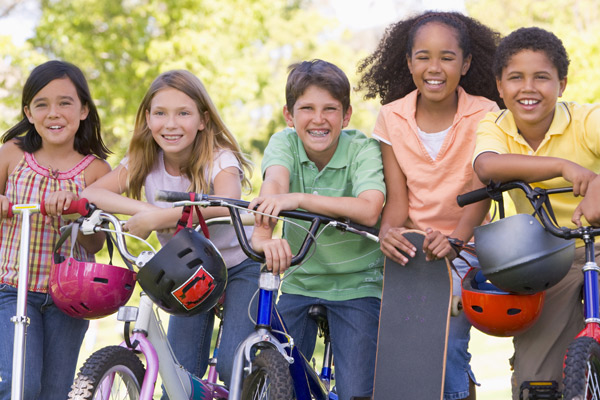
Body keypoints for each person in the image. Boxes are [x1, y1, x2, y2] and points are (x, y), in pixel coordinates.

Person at [81, 69, 259, 390]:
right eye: (160, 113)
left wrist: (160, 219)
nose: (171, 123)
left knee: (235, 363)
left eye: (183, 113)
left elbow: (228, 202)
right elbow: (91, 194)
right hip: (185, 273)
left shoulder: (220, 158)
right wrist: (146, 211)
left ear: (203, 120)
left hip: (238, 266)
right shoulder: (144, 160)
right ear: (148, 118)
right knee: (178, 374)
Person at [357, 11, 501, 400]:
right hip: (414, 251)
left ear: (466, 63)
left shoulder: (486, 113)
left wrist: (455, 239)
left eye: (447, 57)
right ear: (408, 62)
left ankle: (459, 385)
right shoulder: (391, 118)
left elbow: (480, 193)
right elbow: (398, 202)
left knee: (448, 347)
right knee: (403, 354)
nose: (433, 68)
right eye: (423, 56)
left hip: (465, 246)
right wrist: (389, 233)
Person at [472, 27, 600, 398]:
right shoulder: (495, 125)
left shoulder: (586, 119)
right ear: (499, 86)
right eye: (516, 78)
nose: (528, 88)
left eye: (541, 77)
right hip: (549, 257)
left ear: (562, 83)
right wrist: (562, 166)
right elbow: (487, 167)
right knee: (537, 374)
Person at [249, 59, 385, 400]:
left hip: (359, 283)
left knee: (357, 392)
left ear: (347, 115)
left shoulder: (362, 149)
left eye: (330, 109)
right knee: (276, 372)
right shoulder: (284, 143)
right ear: (289, 115)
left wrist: (299, 199)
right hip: (301, 281)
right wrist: (264, 237)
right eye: (306, 108)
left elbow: (369, 208)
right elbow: (274, 183)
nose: (319, 118)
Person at [0, 60, 111, 399]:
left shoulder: (95, 171)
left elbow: (95, 245)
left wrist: (76, 213)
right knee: (19, 385)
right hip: (12, 287)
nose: (54, 113)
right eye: (42, 104)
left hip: (69, 298)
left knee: (53, 393)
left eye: (65, 102)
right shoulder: (11, 154)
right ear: (28, 113)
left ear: (83, 111)